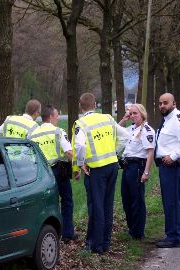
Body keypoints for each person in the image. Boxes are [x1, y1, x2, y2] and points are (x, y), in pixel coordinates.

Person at [72, 93, 128, 254]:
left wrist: (82, 164)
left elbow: (80, 146)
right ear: (95, 105)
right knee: (108, 205)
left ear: (80, 106)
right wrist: (114, 152)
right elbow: (125, 137)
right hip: (112, 166)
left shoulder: (80, 123)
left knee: (97, 207)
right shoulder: (108, 118)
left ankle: (96, 246)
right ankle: (106, 244)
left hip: (96, 169)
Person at [30, 105, 77, 243]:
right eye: (56, 116)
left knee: (46, 205)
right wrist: (78, 166)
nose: (57, 118)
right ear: (50, 117)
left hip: (40, 174)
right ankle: (67, 234)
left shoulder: (32, 134)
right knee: (67, 201)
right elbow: (68, 152)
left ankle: (46, 235)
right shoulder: (58, 132)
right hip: (58, 171)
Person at [154, 93, 180, 248]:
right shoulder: (168, 120)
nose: (162, 106)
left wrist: (173, 155)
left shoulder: (178, 118)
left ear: (174, 103)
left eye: (165, 103)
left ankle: (174, 237)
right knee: (170, 201)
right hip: (167, 167)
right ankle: (174, 234)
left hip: (173, 166)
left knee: (171, 202)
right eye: (160, 103)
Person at [118, 103, 155, 240]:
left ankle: (138, 232)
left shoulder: (147, 130)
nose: (132, 116)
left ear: (142, 114)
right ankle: (132, 228)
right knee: (126, 198)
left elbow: (150, 152)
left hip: (137, 166)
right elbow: (116, 130)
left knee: (137, 200)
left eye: (135, 113)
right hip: (127, 166)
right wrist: (124, 118)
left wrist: (146, 172)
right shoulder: (132, 128)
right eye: (131, 113)